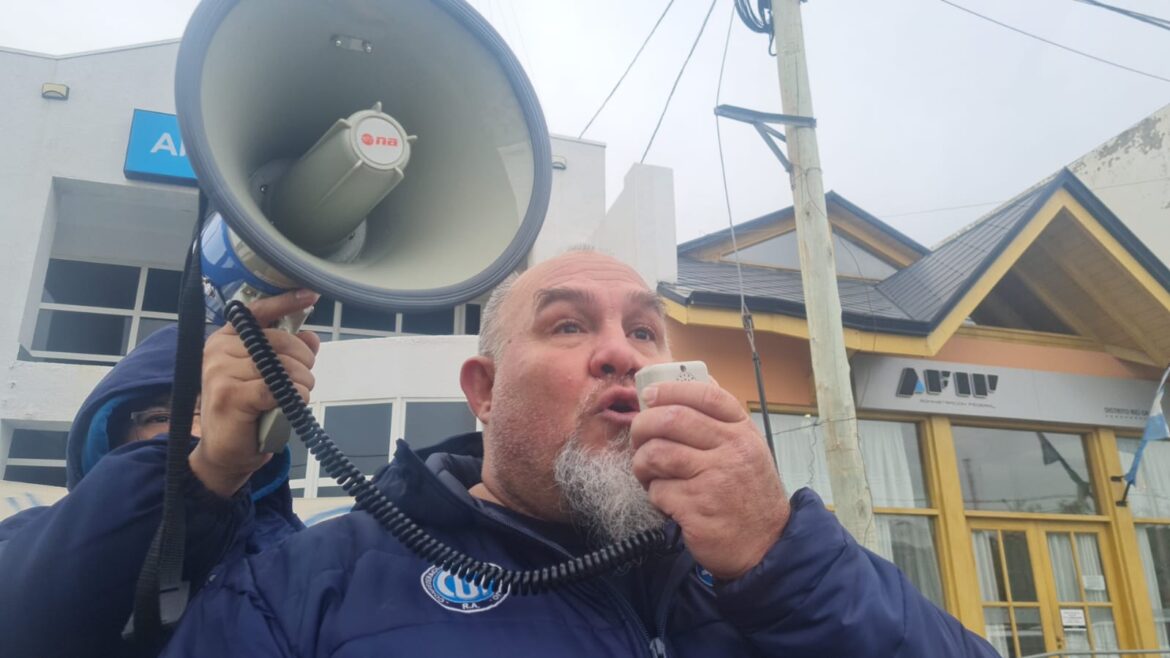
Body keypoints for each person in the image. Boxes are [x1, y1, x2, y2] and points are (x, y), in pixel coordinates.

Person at [160, 250, 999, 656]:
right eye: (568, 326)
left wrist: (780, 561)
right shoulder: (307, 585)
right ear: (484, 392)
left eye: (643, 330)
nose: (621, 352)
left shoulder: (752, 573)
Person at [0, 293, 318, 658]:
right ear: (111, 434)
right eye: (162, 418)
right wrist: (210, 470)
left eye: (209, 411)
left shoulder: (300, 553)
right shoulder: (27, 534)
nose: (200, 429)